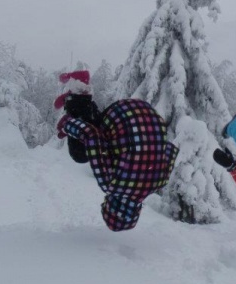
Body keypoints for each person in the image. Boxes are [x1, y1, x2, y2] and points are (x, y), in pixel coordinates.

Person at [57, 98, 179, 232]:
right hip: (120, 113)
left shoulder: (161, 182)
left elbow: (170, 148)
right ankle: (77, 98)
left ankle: (85, 104)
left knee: (108, 145)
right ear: (110, 206)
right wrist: (67, 125)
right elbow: (91, 136)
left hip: (146, 110)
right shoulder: (111, 184)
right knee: (81, 154)